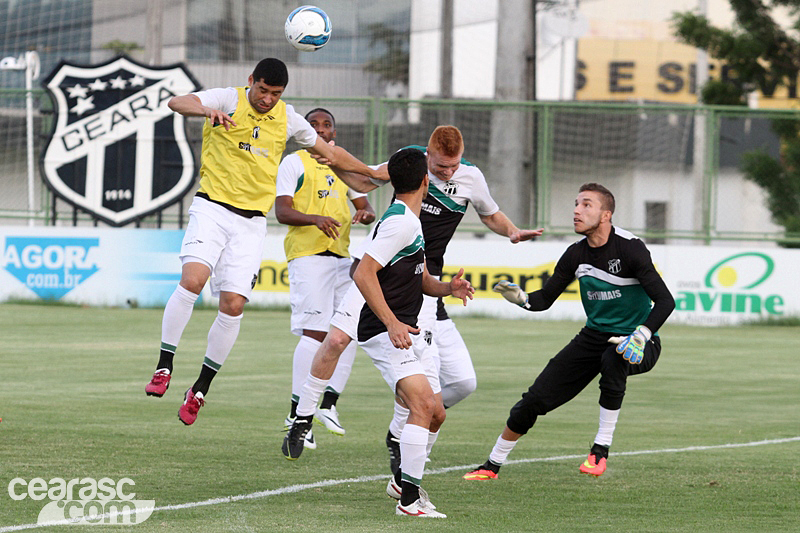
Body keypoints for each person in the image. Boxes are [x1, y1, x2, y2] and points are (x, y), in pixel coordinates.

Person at [283, 125, 543, 472]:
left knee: (422, 372)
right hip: (377, 265)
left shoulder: (471, 178)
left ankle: (399, 437)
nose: (447, 173)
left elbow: (489, 212)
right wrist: (331, 158)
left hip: (421, 279)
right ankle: (303, 417)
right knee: (336, 341)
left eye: (453, 166)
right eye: (440, 167)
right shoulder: (410, 168)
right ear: (427, 157)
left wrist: (511, 231)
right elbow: (367, 177)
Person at [144, 58, 379, 425]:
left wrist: (373, 172)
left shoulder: (289, 118)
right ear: (251, 80)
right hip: (212, 207)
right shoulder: (229, 98)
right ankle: (164, 365)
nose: (268, 99)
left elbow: (331, 154)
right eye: (263, 90)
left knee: (234, 305)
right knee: (193, 280)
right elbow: (178, 102)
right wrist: (206, 110)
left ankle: (200, 389)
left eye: (276, 94)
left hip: (251, 223)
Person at [286, 148, 474, 517]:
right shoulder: (400, 223)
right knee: (420, 404)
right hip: (385, 327)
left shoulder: (409, 220)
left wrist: (447, 289)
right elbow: (362, 272)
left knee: (435, 412)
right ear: (426, 181)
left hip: (401, 325)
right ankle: (408, 498)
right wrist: (390, 322)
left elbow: (421, 278)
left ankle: (403, 484)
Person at [463, 183, 675, 480]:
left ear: (606, 215)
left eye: (586, 205)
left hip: (640, 340)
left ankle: (600, 450)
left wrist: (641, 335)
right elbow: (544, 300)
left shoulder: (630, 248)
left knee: (614, 358)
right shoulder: (575, 254)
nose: (576, 210)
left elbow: (666, 301)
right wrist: (522, 299)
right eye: (576, 204)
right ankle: (491, 465)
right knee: (534, 399)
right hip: (593, 337)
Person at [275, 108, 375, 445]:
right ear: (303, 131)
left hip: (341, 258)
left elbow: (366, 206)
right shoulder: (294, 162)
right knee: (316, 333)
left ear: (334, 132)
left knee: (348, 331)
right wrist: (315, 219)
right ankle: (295, 414)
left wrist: (364, 213)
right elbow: (282, 211)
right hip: (308, 256)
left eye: (326, 124)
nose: (320, 129)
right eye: (313, 124)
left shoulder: (341, 165)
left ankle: (328, 404)